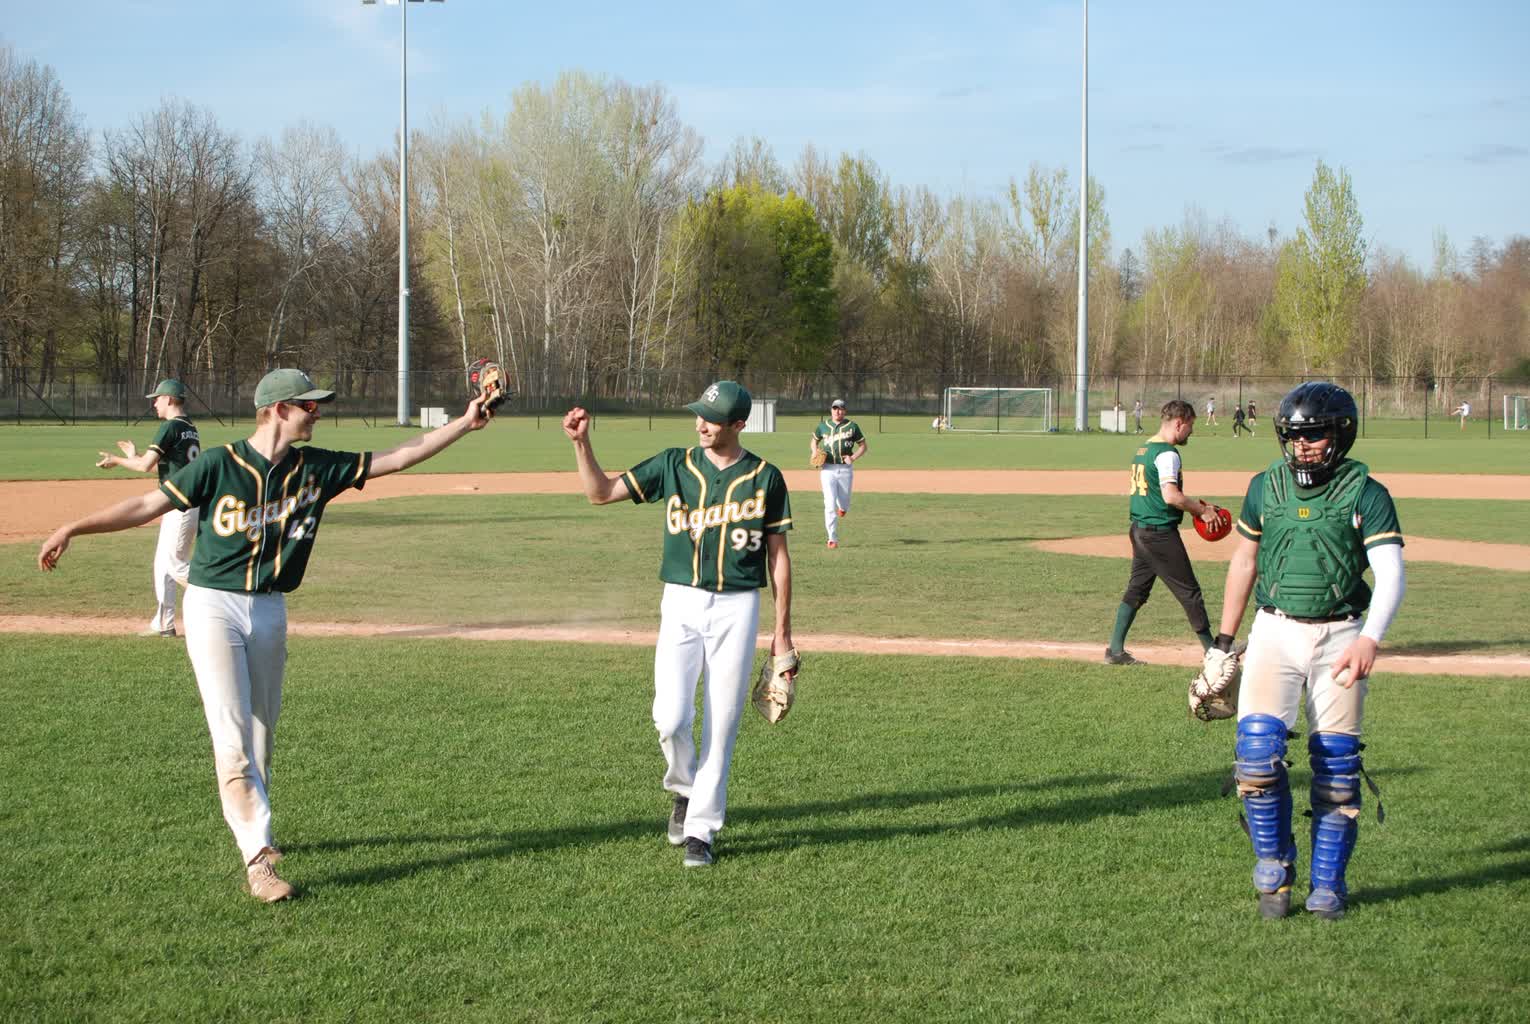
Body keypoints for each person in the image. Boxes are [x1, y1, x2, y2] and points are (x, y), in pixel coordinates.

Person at [39, 368, 493, 902]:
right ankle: (258, 859)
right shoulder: (217, 465)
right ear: (278, 409)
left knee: (260, 737)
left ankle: (260, 833)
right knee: (231, 739)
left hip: (271, 611)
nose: (317, 412)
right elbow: (147, 505)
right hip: (213, 608)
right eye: (309, 405)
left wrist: (465, 422)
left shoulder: (317, 468)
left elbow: (398, 456)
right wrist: (73, 527)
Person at [563, 381, 795, 869]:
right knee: (669, 718)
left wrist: (782, 635)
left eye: (712, 418)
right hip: (681, 602)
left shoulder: (765, 478)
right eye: (699, 415)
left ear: (738, 424)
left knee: (723, 724)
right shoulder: (674, 465)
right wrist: (582, 444)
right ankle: (684, 789)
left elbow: (779, 558)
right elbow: (599, 493)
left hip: (738, 607)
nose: (701, 423)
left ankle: (702, 832)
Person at [1204, 382, 1404, 920]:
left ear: (1341, 432)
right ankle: (1273, 869)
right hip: (1274, 631)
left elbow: (1390, 572)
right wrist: (1222, 644)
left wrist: (1371, 637)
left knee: (1337, 772)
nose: (1303, 446)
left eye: (1314, 435)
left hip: (1341, 635)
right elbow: (1244, 562)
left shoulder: (1367, 492)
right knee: (1256, 758)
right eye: (1295, 436)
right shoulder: (1265, 487)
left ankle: (1328, 886)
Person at [1104, 399, 1222, 665]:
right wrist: (1201, 511)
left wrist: (1197, 505)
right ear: (1179, 423)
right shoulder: (1167, 453)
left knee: (1137, 589)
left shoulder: (1143, 449)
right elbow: (1171, 496)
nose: (1191, 432)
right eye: (1190, 426)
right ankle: (1213, 652)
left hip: (1140, 529)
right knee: (1189, 591)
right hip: (1159, 533)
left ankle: (1115, 650)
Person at [94, 379, 202, 637]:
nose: (154, 403)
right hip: (181, 501)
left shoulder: (170, 427)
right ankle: (164, 623)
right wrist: (133, 456)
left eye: (158, 398)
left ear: (170, 399)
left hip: (180, 504)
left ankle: (221, 598)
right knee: (162, 565)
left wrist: (116, 460)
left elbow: (144, 467)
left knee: (175, 565)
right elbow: (163, 468)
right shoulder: (189, 428)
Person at [811, 398, 868, 549]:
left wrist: (853, 457)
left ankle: (842, 508)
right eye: (835, 408)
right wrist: (814, 451)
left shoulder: (852, 426)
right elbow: (814, 440)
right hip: (827, 469)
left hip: (845, 469)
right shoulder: (823, 426)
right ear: (831, 410)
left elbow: (863, 446)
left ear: (845, 411)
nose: (838, 411)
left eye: (841, 409)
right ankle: (832, 538)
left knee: (844, 501)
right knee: (829, 504)